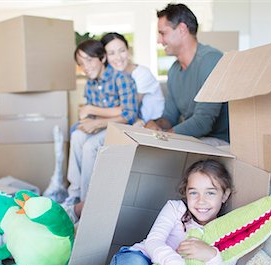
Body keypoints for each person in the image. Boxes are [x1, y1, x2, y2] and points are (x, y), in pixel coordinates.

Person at [37, 159, 235, 265]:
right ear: (186, 193)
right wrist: (175, 264)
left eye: (210, 193)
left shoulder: (225, 232)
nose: (201, 201)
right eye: (194, 193)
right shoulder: (176, 209)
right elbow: (153, 241)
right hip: (139, 258)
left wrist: (211, 255)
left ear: (225, 195)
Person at [64, 39, 138, 222]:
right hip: (101, 126)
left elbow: (128, 115)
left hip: (121, 128)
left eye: (89, 60)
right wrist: (87, 121)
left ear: (102, 58)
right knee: (77, 135)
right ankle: (74, 193)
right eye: (81, 64)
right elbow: (91, 115)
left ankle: (87, 201)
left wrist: (96, 122)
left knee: (90, 146)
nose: (85, 67)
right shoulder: (90, 84)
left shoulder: (121, 79)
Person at [145, 3, 230, 146]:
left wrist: (165, 137)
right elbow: (169, 117)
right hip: (194, 139)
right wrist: (154, 124)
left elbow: (203, 122)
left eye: (163, 33)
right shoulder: (173, 71)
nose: (159, 41)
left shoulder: (211, 60)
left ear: (182, 30)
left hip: (219, 140)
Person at [100, 32, 165, 125]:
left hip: (153, 125)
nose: (118, 57)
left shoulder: (142, 73)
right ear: (104, 57)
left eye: (122, 51)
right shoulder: (111, 77)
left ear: (128, 51)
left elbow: (128, 109)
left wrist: (92, 111)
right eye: (111, 53)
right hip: (131, 123)